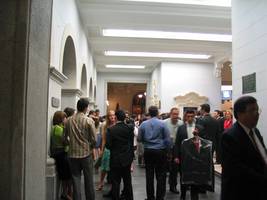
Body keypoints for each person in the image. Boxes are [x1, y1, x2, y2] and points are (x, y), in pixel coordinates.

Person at [221, 96, 267, 200]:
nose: (257, 114)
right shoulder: (230, 136)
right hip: (241, 192)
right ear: (239, 114)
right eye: (252, 110)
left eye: (257, 109)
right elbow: (236, 168)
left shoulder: (256, 131)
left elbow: (262, 154)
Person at [64, 98, 96, 200]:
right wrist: (90, 146)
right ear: (86, 108)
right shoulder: (89, 120)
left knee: (75, 179)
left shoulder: (68, 120)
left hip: (72, 154)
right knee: (89, 180)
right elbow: (94, 139)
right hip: (86, 154)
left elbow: (64, 138)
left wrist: (71, 143)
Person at [138, 106, 171, 200]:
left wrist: (147, 142)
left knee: (149, 175)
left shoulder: (143, 124)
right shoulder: (163, 124)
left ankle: (150, 197)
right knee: (161, 175)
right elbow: (167, 139)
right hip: (160, 151)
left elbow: (139, 138)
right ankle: (160, 197)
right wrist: (168, 152)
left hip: (148, 151)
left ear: (149, 112)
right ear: (157, 113)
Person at [106, 109, 135, 200]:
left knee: (115, 182)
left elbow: (108, 145)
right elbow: (131, 142)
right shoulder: (130, 128)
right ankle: (129, 197)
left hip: (115, 158)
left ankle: (115, 197)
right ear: (124, 118)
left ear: (116, 117)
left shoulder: (111, 129)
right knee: (127, 181)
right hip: (127, 158)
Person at [173, 110, 196, 200]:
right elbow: (177, 143)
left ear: (194, 117)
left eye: (191, 116)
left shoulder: (199, 127)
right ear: (185, 117)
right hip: (184, 156)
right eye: (188, 116)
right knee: (183, 176)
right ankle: (183, 195)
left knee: (195, 176)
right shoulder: (181, 128)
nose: (190, 118)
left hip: (196, 157)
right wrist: (176, 156)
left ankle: (194, 196)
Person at [50, 111, 72, 200]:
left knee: (66, 175)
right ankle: (65, 194)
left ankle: (66, 193)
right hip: (61, 154)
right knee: (65, 175)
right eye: (64, 118)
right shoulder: (58, 128)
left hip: (60, 153)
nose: (66, 119)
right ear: (60, 119)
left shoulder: (58, 127)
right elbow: (66, 141)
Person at [164, 107, 183, 194]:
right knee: (164, 168)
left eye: (177, 114)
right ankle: (162, 186)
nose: (175, 116)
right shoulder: (164, 123)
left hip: (177, 148)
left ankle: (173, 186)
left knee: (175, 169)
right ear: (170, 114)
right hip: (166, 148)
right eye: (174, 114)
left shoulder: (181, 123)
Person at [96, 110, 116, 192]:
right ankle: (101, 183)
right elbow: (104, 139)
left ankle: (114, 185)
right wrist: (101, 150)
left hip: (115, 148)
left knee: (114, 168)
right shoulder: (105, 125)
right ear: (108, 117)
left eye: (113, 115)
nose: (112, 117)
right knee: (104, 167)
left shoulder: (117, 124)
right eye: (110, 115)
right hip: (107, 149)